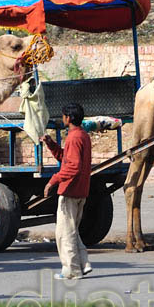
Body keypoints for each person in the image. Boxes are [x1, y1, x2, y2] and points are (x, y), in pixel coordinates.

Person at [41, 102, 93, 280]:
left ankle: (71, 270)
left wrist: (53, 181)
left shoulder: (74, 137)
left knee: (64, 233)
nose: (62, 118)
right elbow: (66, 157)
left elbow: (73, 166)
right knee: (72, 230)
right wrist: (51, 144)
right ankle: (83, 264)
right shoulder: (82, 136)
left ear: (69, 118)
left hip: (70, 191)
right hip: (81, 190)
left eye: (63, 115)